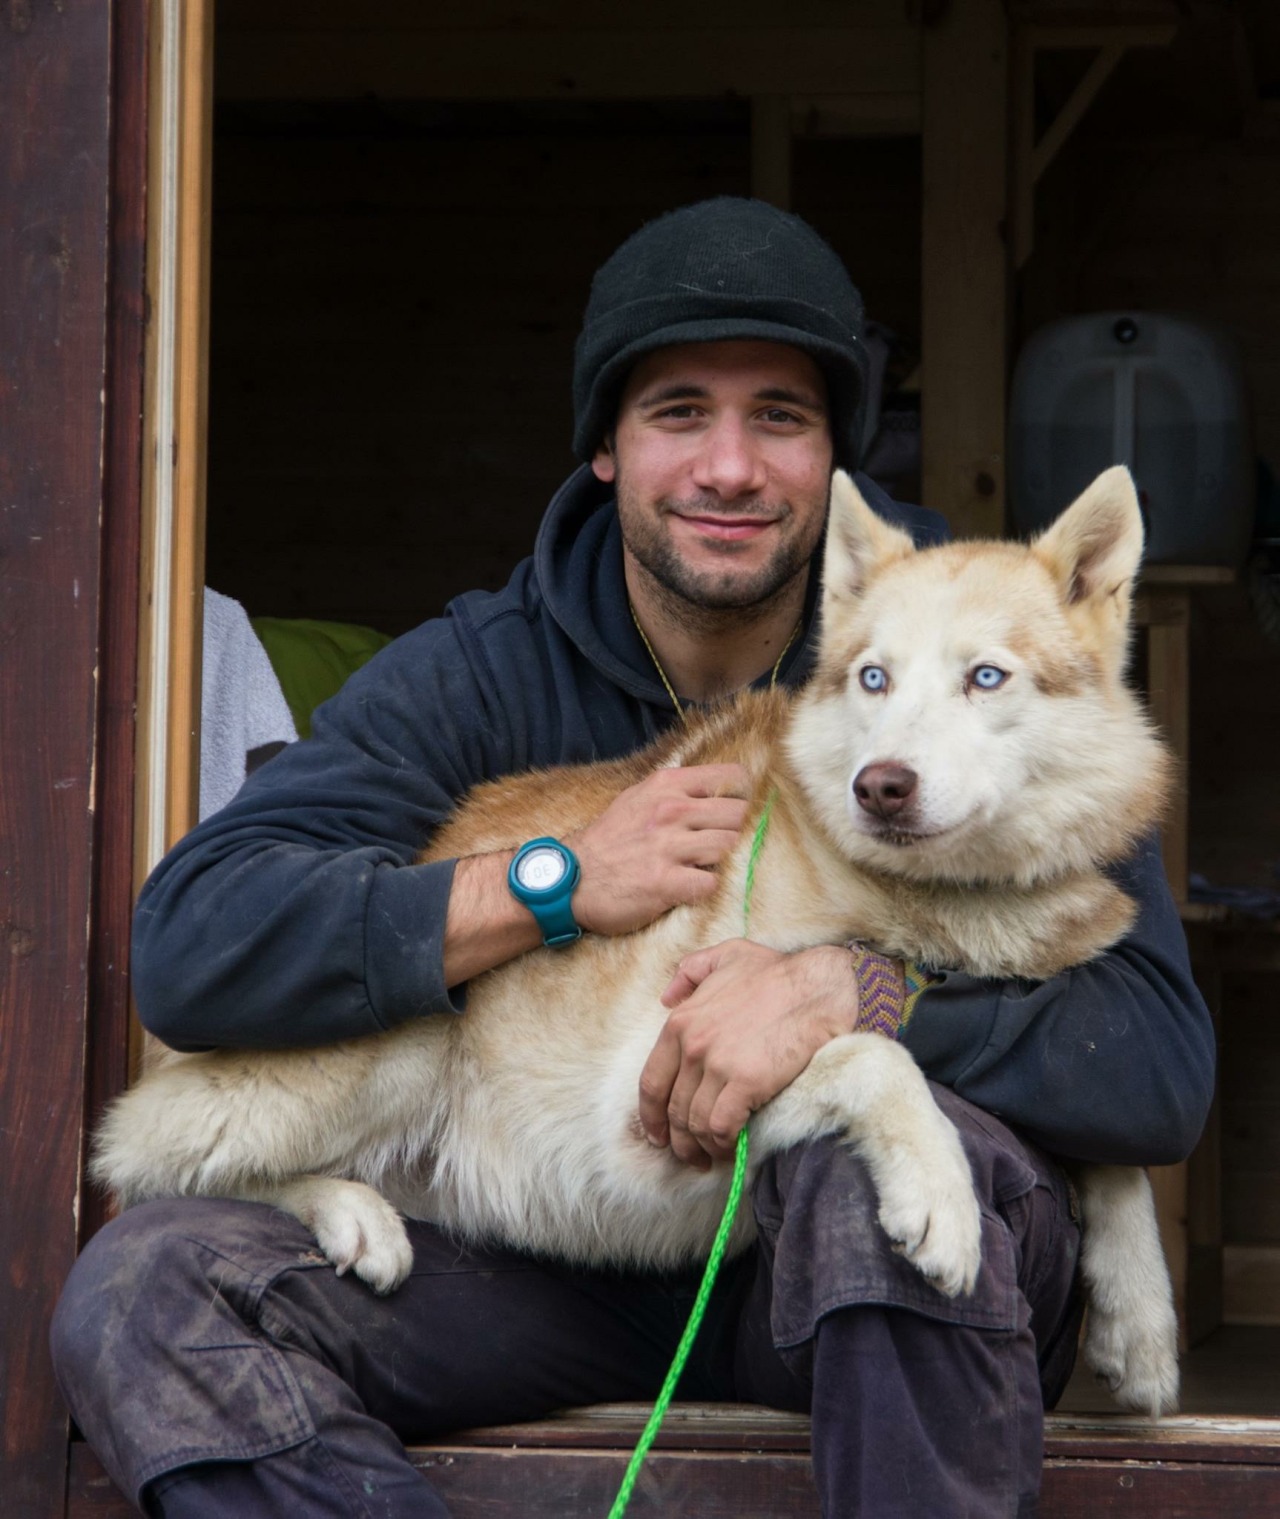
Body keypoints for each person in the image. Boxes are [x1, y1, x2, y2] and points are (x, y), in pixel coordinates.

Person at [52, 197, 1215, 1519]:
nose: (729, 465)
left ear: (835, 451)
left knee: (870, 1152)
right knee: (147, 1293)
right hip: (530, 1260)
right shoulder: (479, 676)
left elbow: (1157, 1065)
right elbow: (195, 943)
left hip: (871, 1286)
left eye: (780, 415)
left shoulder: (967, 666)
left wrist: (859, 995)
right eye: (677, 413)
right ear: (605, 447)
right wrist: (549, 884)